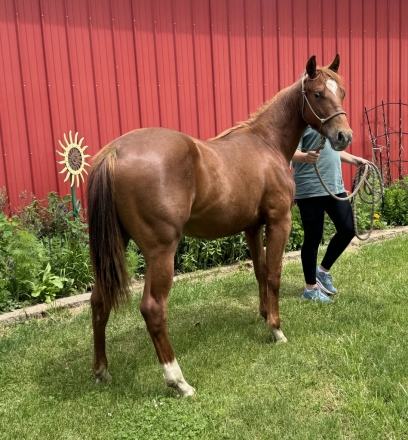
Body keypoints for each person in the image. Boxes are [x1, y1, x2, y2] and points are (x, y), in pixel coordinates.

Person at [292, 125, 368, 303]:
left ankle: (322, 271)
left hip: (334, 186)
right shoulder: (302, 124)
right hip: (310, 188)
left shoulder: (330, 124)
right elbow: (290, 152)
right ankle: (310, 289)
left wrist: (354, 159)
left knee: (348, 229)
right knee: (313, 237)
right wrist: (305, 157)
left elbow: (333, 151)